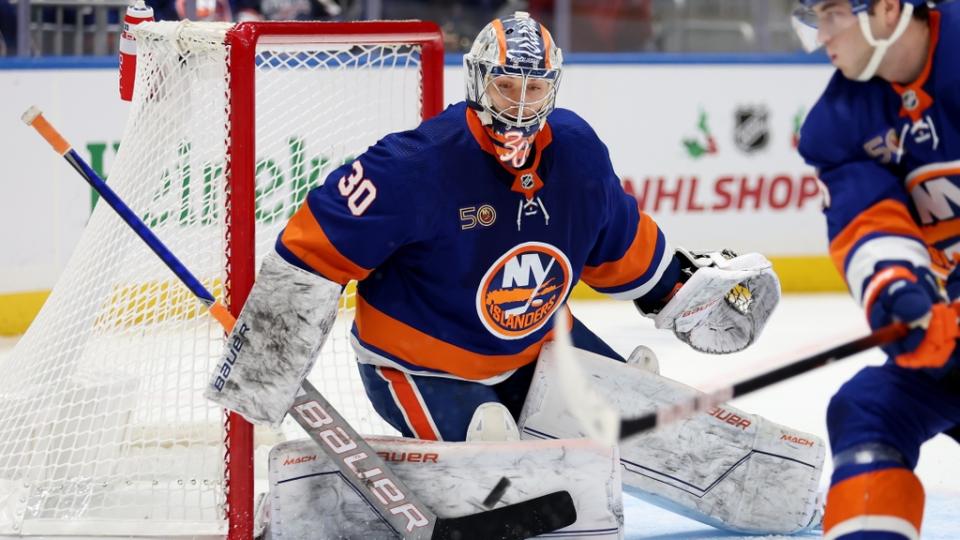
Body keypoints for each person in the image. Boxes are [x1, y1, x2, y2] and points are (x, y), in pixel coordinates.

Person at [208, 11, 822, 535]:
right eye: (506, 87)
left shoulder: (577, 151)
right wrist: (265, 362)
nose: (521, 105)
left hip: (539, 349)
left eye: (535, 89)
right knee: (502, 455)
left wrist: (683, 295)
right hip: (420, 368)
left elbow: (621, 247)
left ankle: (762, 490)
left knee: (635, 409)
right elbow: (314, 245)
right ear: (479, 82)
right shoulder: (418, 165)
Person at [794, 0, 960, 537]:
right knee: (867, 410)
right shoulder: (841, 122)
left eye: (831, 15)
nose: (821, 36)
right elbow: (870, 226)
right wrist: (899, 293)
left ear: (887, 9)